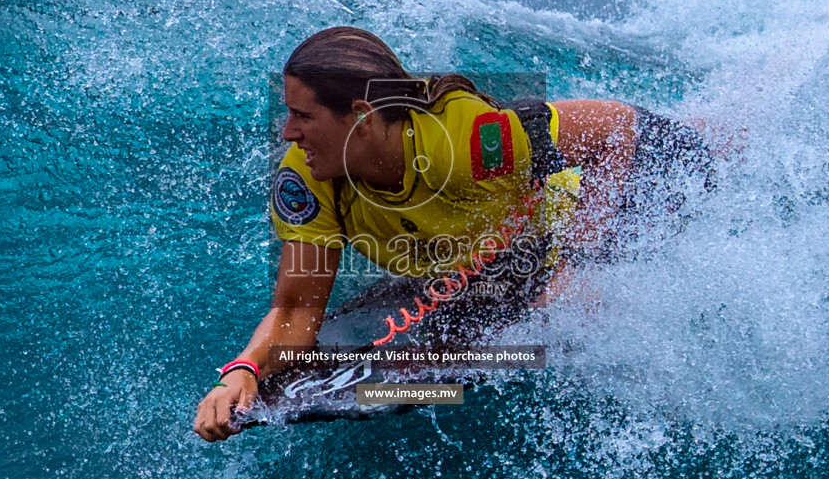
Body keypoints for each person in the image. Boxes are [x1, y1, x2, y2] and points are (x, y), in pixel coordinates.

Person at [193, 26, 720, 442]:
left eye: (302, 115)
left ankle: (752, 101)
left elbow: (614, 132)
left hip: (641, 177)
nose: (288, 132)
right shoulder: (308, 177)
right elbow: (295, 312)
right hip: (502, 246)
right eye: (287, 113)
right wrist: (240, 371)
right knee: (335, 354)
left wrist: (581, 266)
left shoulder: (465, 142)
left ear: (360, 116)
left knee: (726, 142)